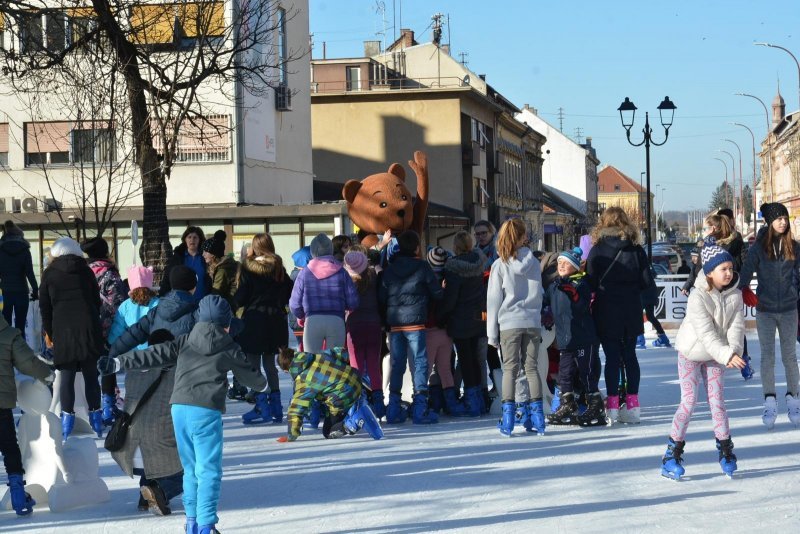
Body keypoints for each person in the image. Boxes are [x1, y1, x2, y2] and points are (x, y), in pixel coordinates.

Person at [99, 295, 268, 534]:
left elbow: (153, 354)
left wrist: (117, 363)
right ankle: (206, 525)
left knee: (190, 469)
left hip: (179, 409)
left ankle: (191, 522)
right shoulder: (229, 346)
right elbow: (255, 381)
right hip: (205, 412)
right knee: (208, 469)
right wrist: (262, 384)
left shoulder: (184, 341)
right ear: (226, 323)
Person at [660, 238, 746, 480]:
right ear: (709, 273)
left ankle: (726, 451)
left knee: (717, 402)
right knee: (688, 403)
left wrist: (735, 351)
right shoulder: (697, 297)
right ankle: (670, 455)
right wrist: (726, 354)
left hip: (716, 354)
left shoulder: (735, 295)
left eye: (730, 268)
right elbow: (706, 334)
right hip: (691, 353)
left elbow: (736, 327)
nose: (729, 273)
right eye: (723, 269)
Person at [586, 207, 654, 425]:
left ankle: (613, 406)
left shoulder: (597, 250)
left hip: (606, 309)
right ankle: (633, 406)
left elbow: (591, 282)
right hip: (631, 309)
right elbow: (646, 282)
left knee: (612, 359)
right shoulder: (636, 250)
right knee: (630, 356)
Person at [738, 202, 800, 429]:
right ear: (770, 221)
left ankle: (793, 398)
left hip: (789, 310)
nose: (783, 221)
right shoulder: (759, 248)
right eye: (779, 218)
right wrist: (743, 288)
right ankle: (770, 400)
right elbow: (745, 272)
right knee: (767, 357)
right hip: (765, 310)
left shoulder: (794, 247)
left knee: (790, 357)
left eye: (785, 218)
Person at [111, 329, 183, 516]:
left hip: (128, 445)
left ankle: (145, 497)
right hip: (156, 447)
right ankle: (161, 492)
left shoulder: (134, 370)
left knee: (150, 438)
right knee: (192, 467)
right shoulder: (177, 370)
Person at [39, 237, 105, 440]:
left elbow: (45, 308)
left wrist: (51, 333)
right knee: (91, 375)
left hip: (63, 329)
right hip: (88, 327)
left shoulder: (49, 274)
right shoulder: (86, 271)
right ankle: (96, 419)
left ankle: (67, 422)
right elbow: (97, 300)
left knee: (66, 377)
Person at [378, 230, 444, 425]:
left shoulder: (389, 269)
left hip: (395, 322)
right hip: (416, 321)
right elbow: (437, 293)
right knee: (420, 362)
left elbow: (382, 297)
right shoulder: (423, 267)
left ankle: (393, 408)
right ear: (416, 247)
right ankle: (420, 408)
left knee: (397, 363)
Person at [486, 218, 544, 436]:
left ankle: (509, 417)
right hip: (531, 321)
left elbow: (493, 299)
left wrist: (492, 334)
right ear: (523, 237)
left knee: (510, 369)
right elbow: (538, 293)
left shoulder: (499, 265)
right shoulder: (534, 263)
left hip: (509, 322)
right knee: (531, 368)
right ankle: (537, 417)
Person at [235, 234, 292, 425]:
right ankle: (276, 407)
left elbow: (241, 297)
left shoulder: (248, 268)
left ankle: (261, 404)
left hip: (254, 320)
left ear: (255, 247)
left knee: (253, 365)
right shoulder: (279, 269)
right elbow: (289, 293)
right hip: (275, 321)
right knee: (270, 364)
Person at [0, 314, 54, 516]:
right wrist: (46, 374)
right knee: (9, 448)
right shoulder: (7, 334)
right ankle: (19, 497)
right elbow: (28, 362)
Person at [546, 247, 605, 427]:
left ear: (575, 266)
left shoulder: (582, 284)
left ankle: (595, 405)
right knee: (565, 373)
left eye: (566, 263)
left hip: (583, 337)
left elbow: (582, 306)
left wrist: (574, 293)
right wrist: (545, 315)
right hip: (565, 339)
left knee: (586, 372)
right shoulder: (555, 285)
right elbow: (547, 303)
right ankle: (568, 405)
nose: (561, 266)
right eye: (559, 263)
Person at [276, 346, 382, 441]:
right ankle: (356, 405)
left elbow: (295, 410)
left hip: (343, 395)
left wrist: (291, 435)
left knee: (328, 431)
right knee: (331, 398)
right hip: (356, 380)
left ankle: (353, 422)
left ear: (286, 371)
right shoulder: (318, 356)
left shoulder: (302, 382)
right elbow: (342, 352)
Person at [438, 232, 487, 417]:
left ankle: (472, 401)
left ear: (456, 246)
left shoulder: (453, 268)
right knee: (475, 359)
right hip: (478, 316)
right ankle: (480, 401)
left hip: (461, 318)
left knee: (465, 360)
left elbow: (451, 298)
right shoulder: (479, 262)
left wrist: (441, 316)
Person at [82, 236, 127, 427]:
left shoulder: (82, 271)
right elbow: (117, 302)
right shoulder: (110, 273)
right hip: (106, 327)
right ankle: (108, 406)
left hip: (85, 326)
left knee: (89, 369)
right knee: (107, 366)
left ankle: (92, 408)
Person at [107, 265, 160, 424]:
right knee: (154, 387)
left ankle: (132, 415)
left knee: (133, 387)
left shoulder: (125, 306)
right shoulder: (157, 303)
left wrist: (111, 344)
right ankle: (153, 414)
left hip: (131, 355)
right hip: (153, 354)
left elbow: (117, 331)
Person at [109, 265, 199, 359]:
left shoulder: (158, 308)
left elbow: (129, 332)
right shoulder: (195, 311)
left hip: (144, 358)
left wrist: (113, 350)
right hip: (182, 362)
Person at [289, 234, 359, 353]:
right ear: (331, 249)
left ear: (313, 251)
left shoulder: (304, 273)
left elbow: (294, 304)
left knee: (312, 362)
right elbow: (353, 301)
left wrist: (301, 316)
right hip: (336, 320)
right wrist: (344, 307)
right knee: (334, 363)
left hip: (312, 321)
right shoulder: (342, 272)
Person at [343, 249, 386, 418]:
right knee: (374, 366)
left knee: (356, 367)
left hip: (354, 327)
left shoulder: (346, 282)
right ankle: (379, 404)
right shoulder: (374, 278)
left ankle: (358, 404)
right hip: (374, 324)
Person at [0, 221, 38, 335]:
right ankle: (21, 350)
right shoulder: (25, 250)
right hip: (21, 291)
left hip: (5, 292)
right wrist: (35, 290)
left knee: (5, 326)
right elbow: (30, 273)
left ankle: (6, 351)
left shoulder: (0, 250)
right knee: (20, 325)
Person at [160, 226, 210, 302]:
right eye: (189, 237)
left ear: (200, 240)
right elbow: (168, 278)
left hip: (204, 302)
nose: (192, 240)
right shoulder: (178, 258)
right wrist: (162, 297)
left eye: (195, 237)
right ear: (185, 239)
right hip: (183, 303)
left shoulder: (205, 257)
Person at [202, 230, 240, 309]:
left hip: (227, 310)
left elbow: (215, 296)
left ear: (214, 254)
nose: (203, 254)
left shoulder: (222, 270)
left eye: (206, 251)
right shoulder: (221, 266)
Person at [636, 264, 670, 349]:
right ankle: (663, 337)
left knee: (638, 316)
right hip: (652, 293)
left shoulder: (638, 266)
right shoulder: (648, 266)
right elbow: (653, 274)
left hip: (644, 294)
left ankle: (640, 339)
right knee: (650, 316)